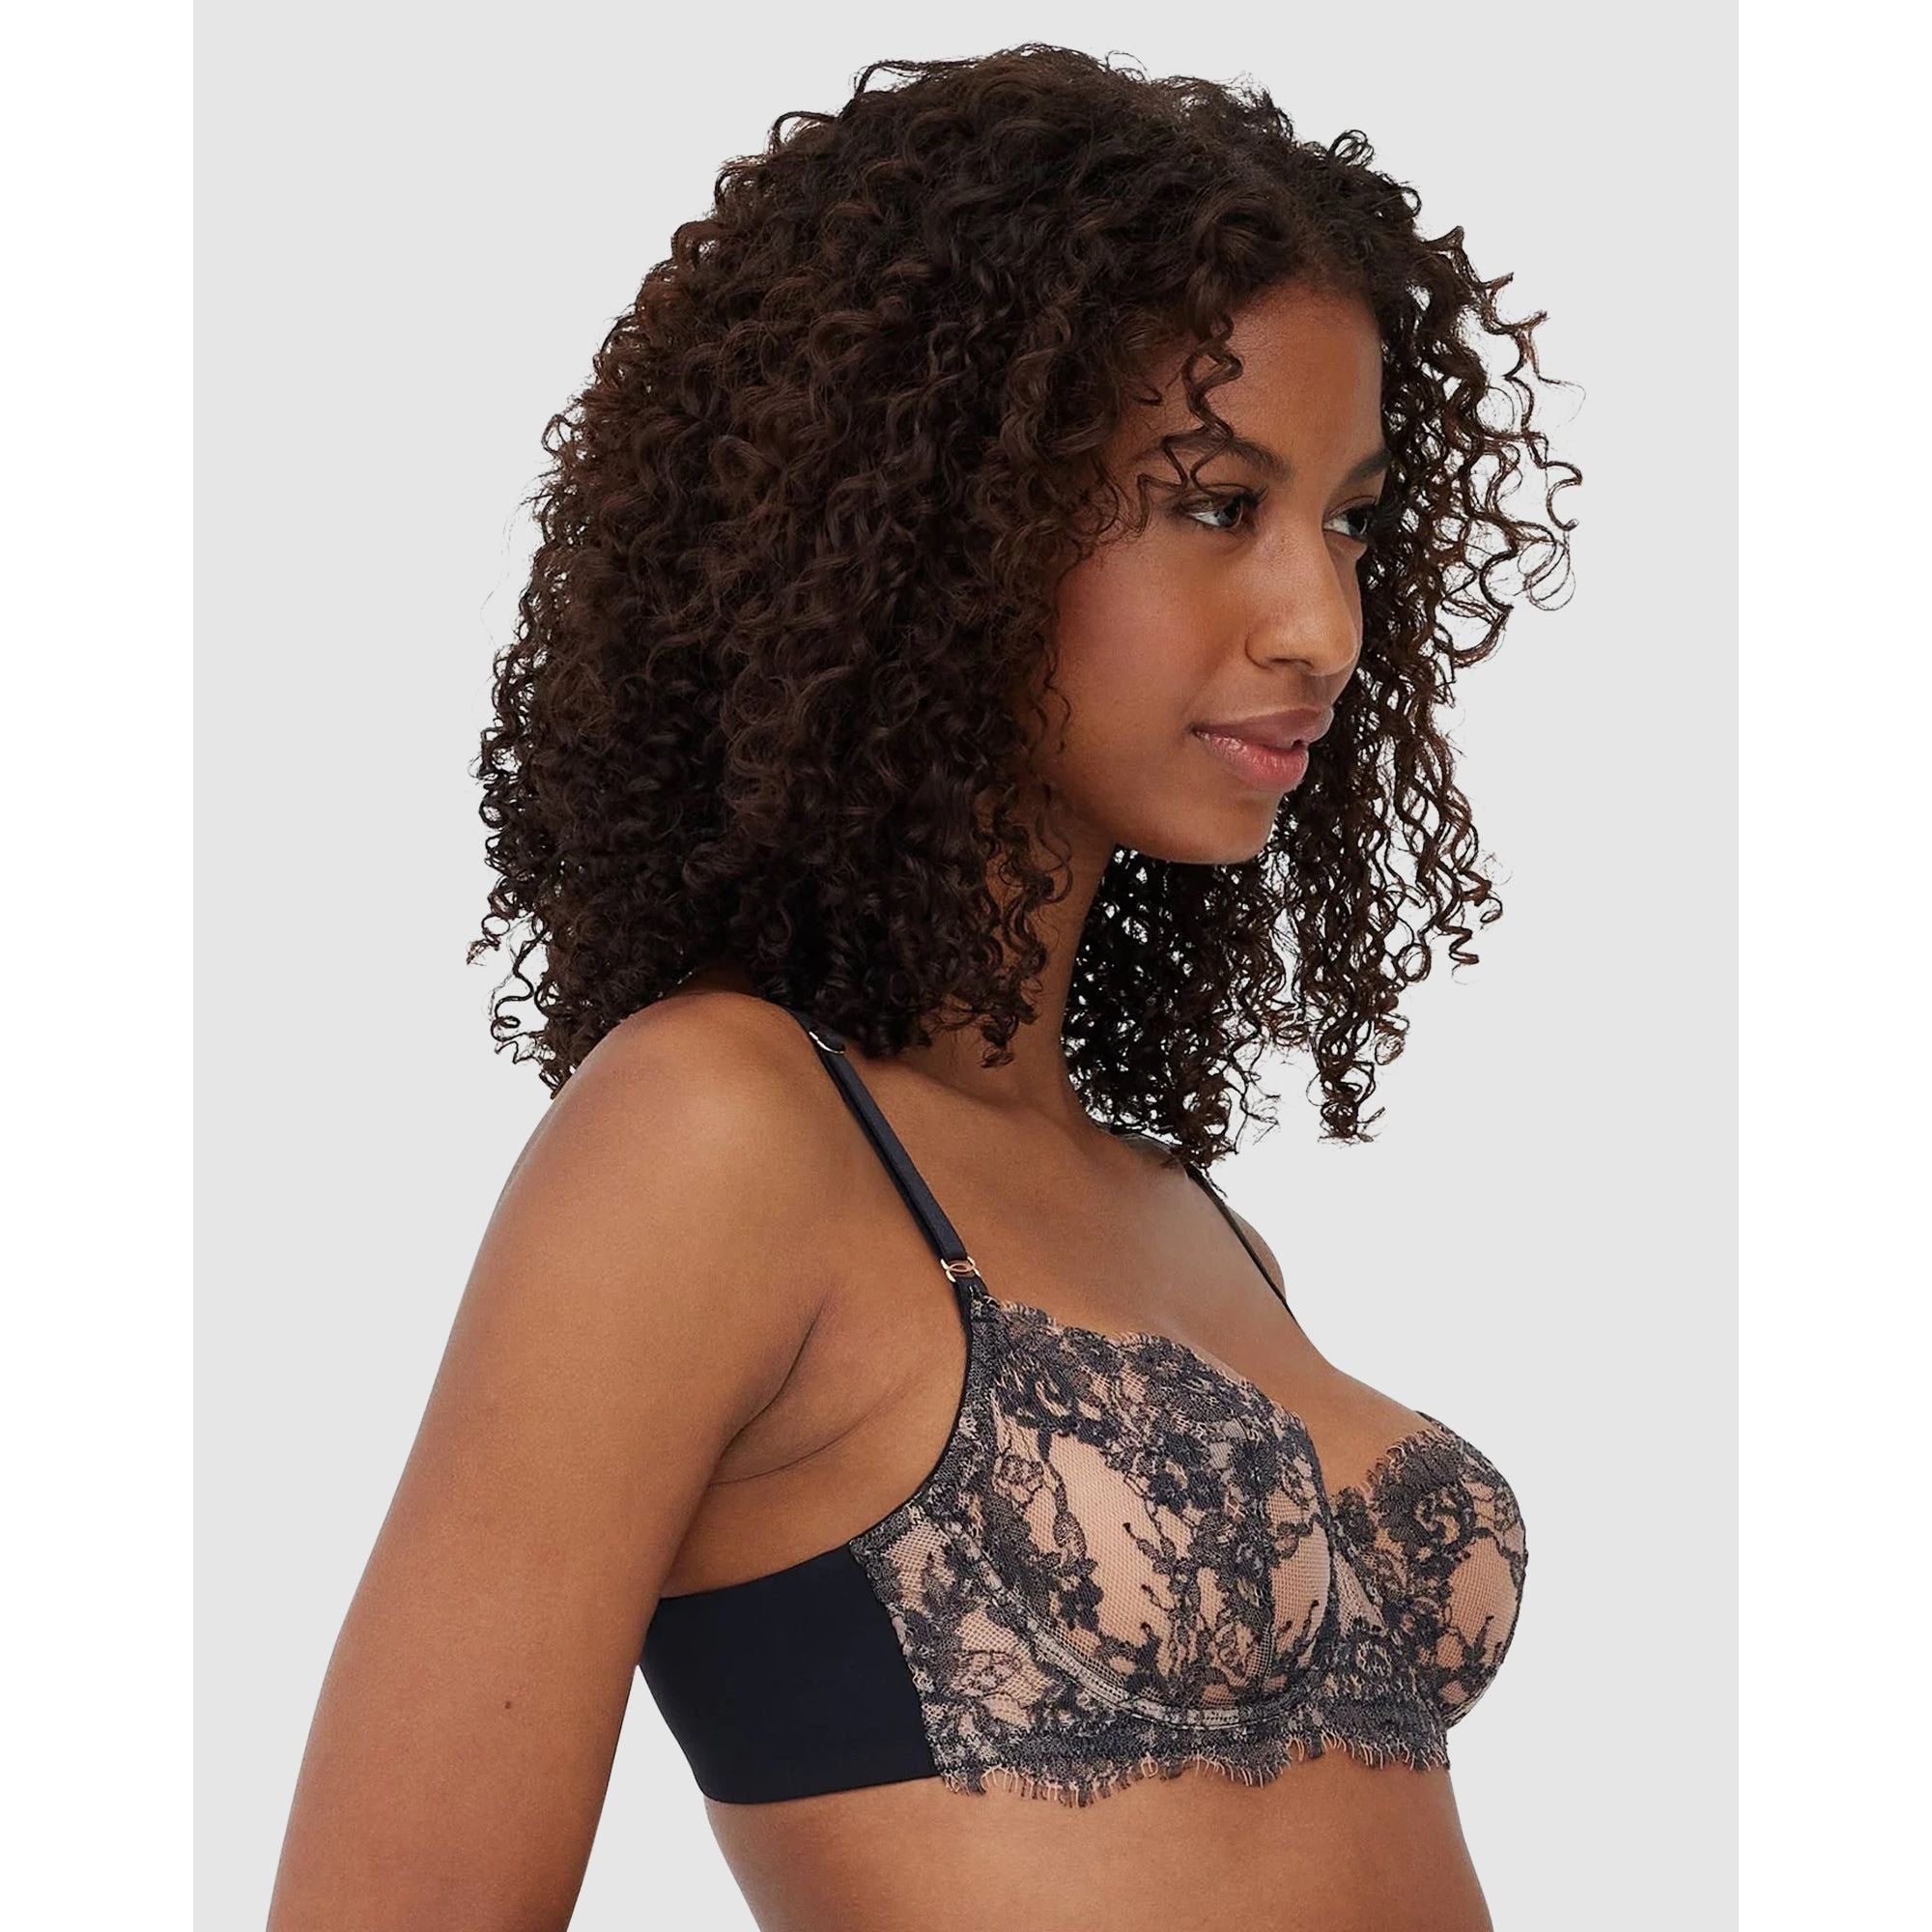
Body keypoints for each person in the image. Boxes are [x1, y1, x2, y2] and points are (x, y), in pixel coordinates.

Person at [268, 43, 1578, 1932]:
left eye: (1352, 517)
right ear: (948, 527)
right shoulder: (713, 1136)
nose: (1323, 623)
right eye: (1217, 503)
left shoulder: (1183, 1215)